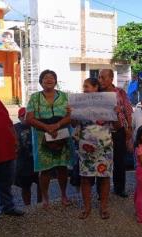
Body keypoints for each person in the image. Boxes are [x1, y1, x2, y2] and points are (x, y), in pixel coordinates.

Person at [26, 70, 73, 209]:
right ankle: (45, 198)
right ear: (41, 82)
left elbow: (71, 115)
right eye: (45, 78)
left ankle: (64, 195)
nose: (49, 80)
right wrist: (47, 127)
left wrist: (57, 125)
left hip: (62, 134)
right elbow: (29, 118)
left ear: (55, 81)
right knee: (44, 169)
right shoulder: (34, 97)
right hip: (42, 137)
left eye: (52, 78)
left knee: (62, 167)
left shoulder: (65, 96)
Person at [72, 78, 114, 219]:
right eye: (83, 86)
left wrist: (116, 112)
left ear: (96, 87)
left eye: (87, 86)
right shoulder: (80, 103)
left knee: (104, 177)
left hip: (105, 146)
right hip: (86, 146)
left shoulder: (107, 102)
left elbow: (118, 126)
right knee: (85, 178)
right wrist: (70, 113)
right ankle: (87, 207)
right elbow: (73, 123)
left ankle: (104, 207)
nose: (84, 89)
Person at [98, 69, 133, 198]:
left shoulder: (120, 92)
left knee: (119, 160)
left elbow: (128, 110)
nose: (100, 80)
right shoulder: (97, 93)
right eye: (100, 78)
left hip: (118, 130)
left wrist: (129, 127)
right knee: (101, 160)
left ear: (111, 78)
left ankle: (120, 188)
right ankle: (100, 191)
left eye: (103, 77)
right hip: (101, 132)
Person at [0, 94, 24, 216]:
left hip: (6, 151)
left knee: (5, 183)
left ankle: (8, 207)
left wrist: (15, 139)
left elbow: (8, 122)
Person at [14, 107, 41, 205]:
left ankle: (40, 204)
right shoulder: (15, 128)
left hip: (37, 162)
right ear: (19, 117)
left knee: (41, 184)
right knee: (25, 187)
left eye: (27, 115)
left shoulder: (36, 126)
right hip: (23, 164)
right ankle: (27, 206)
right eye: (23, 116)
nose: (25, 117)